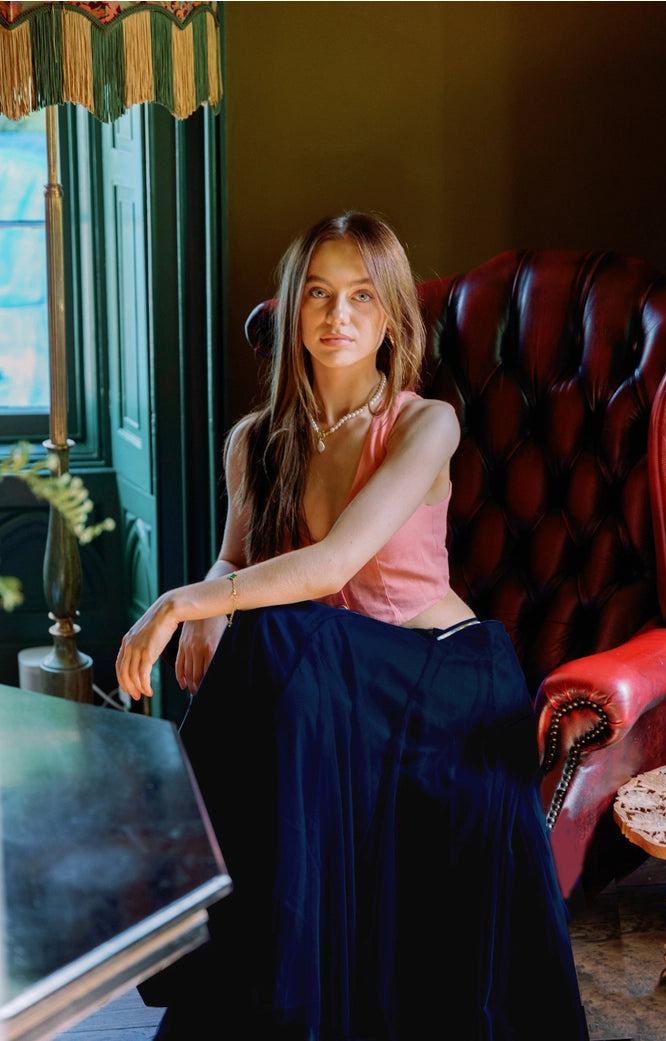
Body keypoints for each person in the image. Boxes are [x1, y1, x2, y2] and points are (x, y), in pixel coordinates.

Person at [116, 212, 587, 1041]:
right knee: (280, 643)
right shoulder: (256, 442)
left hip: (443, 679)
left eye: (362, 297)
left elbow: (333, 565)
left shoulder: (422, 423)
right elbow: (234, 559)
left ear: (391, 318)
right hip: (331, 689)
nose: (339, 316)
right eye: (321, 295)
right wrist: (215, 588)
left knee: (281, 634)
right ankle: (225, 961)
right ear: (295, 310)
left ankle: (188, 936)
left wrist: (185, 601)